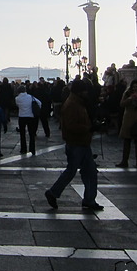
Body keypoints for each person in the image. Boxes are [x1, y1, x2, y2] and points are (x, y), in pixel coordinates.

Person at [45, 78, 103, 211]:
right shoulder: (72, 104)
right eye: (85, 91)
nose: (87, 93)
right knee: (72, 171)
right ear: (79, 91)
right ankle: (53, 192)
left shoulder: (78, 102)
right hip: (76, 143)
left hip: (82, 142)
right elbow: (71, 126)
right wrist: (89, 128)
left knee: (90, 172)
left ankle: (89, 199)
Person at [116, 81, 137, 168]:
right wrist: (130, 99)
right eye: (134, 87)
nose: (135, 88)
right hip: (128, 118)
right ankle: (124, 161)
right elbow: (122, 104)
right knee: (127, 141)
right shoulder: (127, 94)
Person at [15, 85, 40, 155]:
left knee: (22, 134)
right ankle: (32, 148)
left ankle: (23, 148)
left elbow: (18, 105)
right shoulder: (30, 97)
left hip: (22, 116)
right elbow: (39, 103)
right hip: (30, 116)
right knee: (31, 133)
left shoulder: (17, 98)